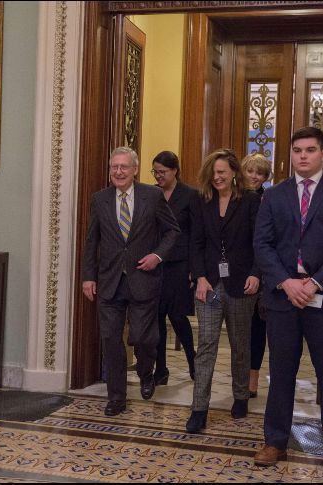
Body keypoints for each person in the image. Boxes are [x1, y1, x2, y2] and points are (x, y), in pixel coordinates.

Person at [252, 126, 323, 479]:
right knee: (281, 373)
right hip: (283, 298)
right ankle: (275, 441)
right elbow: (262, 244)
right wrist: (286, 282)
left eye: (310, 150)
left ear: (322, 153)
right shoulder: (274, 195)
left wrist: (313, 284)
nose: (303, 156)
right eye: (297, 150)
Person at [81, 147, 180, 417]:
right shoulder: (100, 199)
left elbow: (172, 232)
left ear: (135, 170)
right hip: (109, 281)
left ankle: (147, 372)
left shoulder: (153, 196)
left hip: (143, 278)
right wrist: (88, 276)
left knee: (143, 338)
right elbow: (92, 241)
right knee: (111, 340)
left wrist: (157, 256)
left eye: (124, 167)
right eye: (114, 167)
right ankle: (116, 397)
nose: (118, 172)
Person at [186, 148, 261, 433]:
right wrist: (200, 277)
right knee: (206, 345)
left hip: (241, 284)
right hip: (209, 284)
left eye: (221, 172)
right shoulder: (201, 200)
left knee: (240, 344)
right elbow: (195, 242)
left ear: (233, 173)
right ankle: (199, 409)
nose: (216, 177)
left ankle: (241, 395)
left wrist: (256, 273)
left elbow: (260, 242)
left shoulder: (250, 201)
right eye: (213, 173)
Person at [150, 151, 198, 384]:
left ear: (175, 171)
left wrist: (194, 269)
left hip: (180, 265)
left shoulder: (191, 195)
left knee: (177, 316)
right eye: (155, 172)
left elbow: (196, 234)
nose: (158, 176)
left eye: (163, 172)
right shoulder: (150, 193)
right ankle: (160, 369)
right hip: (155, 264)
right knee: (157, 317)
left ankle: (193, 362)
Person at [240, 153, 273, 398]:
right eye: (250, 171)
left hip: (261, 272)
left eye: (260, 173)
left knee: (257, 328)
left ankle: (253, 378)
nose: (254, 176)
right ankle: (239, 376)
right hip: (236, 270)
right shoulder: (233, 197)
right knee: (239, 329)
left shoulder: (269, 200)